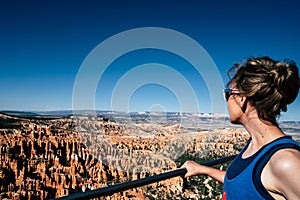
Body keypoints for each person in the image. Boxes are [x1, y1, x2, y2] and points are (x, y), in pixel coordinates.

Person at [181, 56, 300, 199]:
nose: (226, 101)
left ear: (241, 98)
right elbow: (243, 184)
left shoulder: (285, 162)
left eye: (227, 94)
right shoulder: (254, 145)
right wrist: (202, 169)